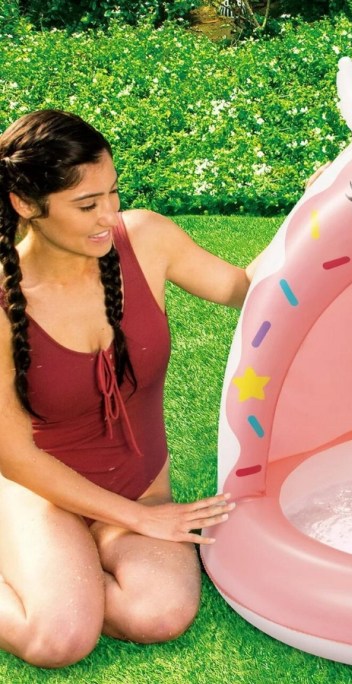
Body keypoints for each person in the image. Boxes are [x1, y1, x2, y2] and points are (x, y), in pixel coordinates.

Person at [0, 110, 256, 667]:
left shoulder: (144, 238)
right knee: (60, 640)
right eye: (87, 205)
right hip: (44, 495)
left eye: (112, 194)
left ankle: (65, 572)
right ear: (26, 204)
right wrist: (145, 522)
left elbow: (247, 289)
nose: (108, 215)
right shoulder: (3, 300)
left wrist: (320, 209)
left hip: (141, 489)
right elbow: (13, 455)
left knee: (158, 615)